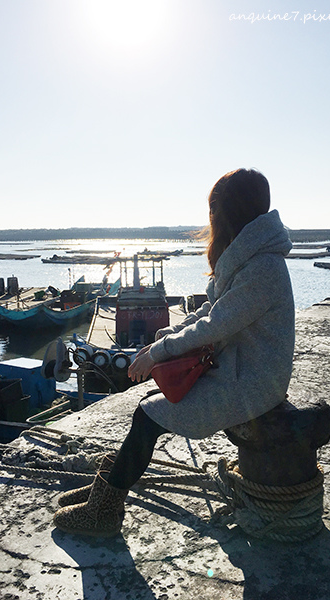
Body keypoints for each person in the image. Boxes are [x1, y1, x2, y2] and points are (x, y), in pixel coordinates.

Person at [53, 168, 296, 537]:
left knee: (149, 414)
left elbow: (217, 325)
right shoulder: (251, 258)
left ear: (226, 213)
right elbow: (209, 312)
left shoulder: (262, 268)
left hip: (255, 381)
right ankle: (109, 485)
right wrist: (163, 340)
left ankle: (104, 508)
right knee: (151, 404)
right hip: (238, 369)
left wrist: (158, 352)